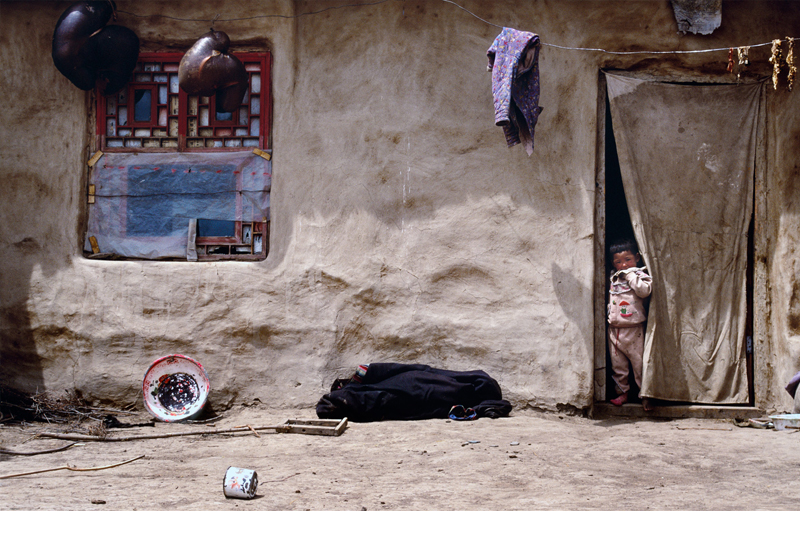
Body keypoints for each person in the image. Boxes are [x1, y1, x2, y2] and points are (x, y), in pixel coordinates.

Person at [607, 239, 653, 410]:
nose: (624, 265)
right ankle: (622, 394)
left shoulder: (640, 275)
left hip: (634, 329)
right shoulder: (613, 277)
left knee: (639, 364)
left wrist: (631, 275)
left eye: (628, 259)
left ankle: (645, 395)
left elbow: (644, 291)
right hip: (614, 329)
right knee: (618, 366)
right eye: (618, 262)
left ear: (637, 258)